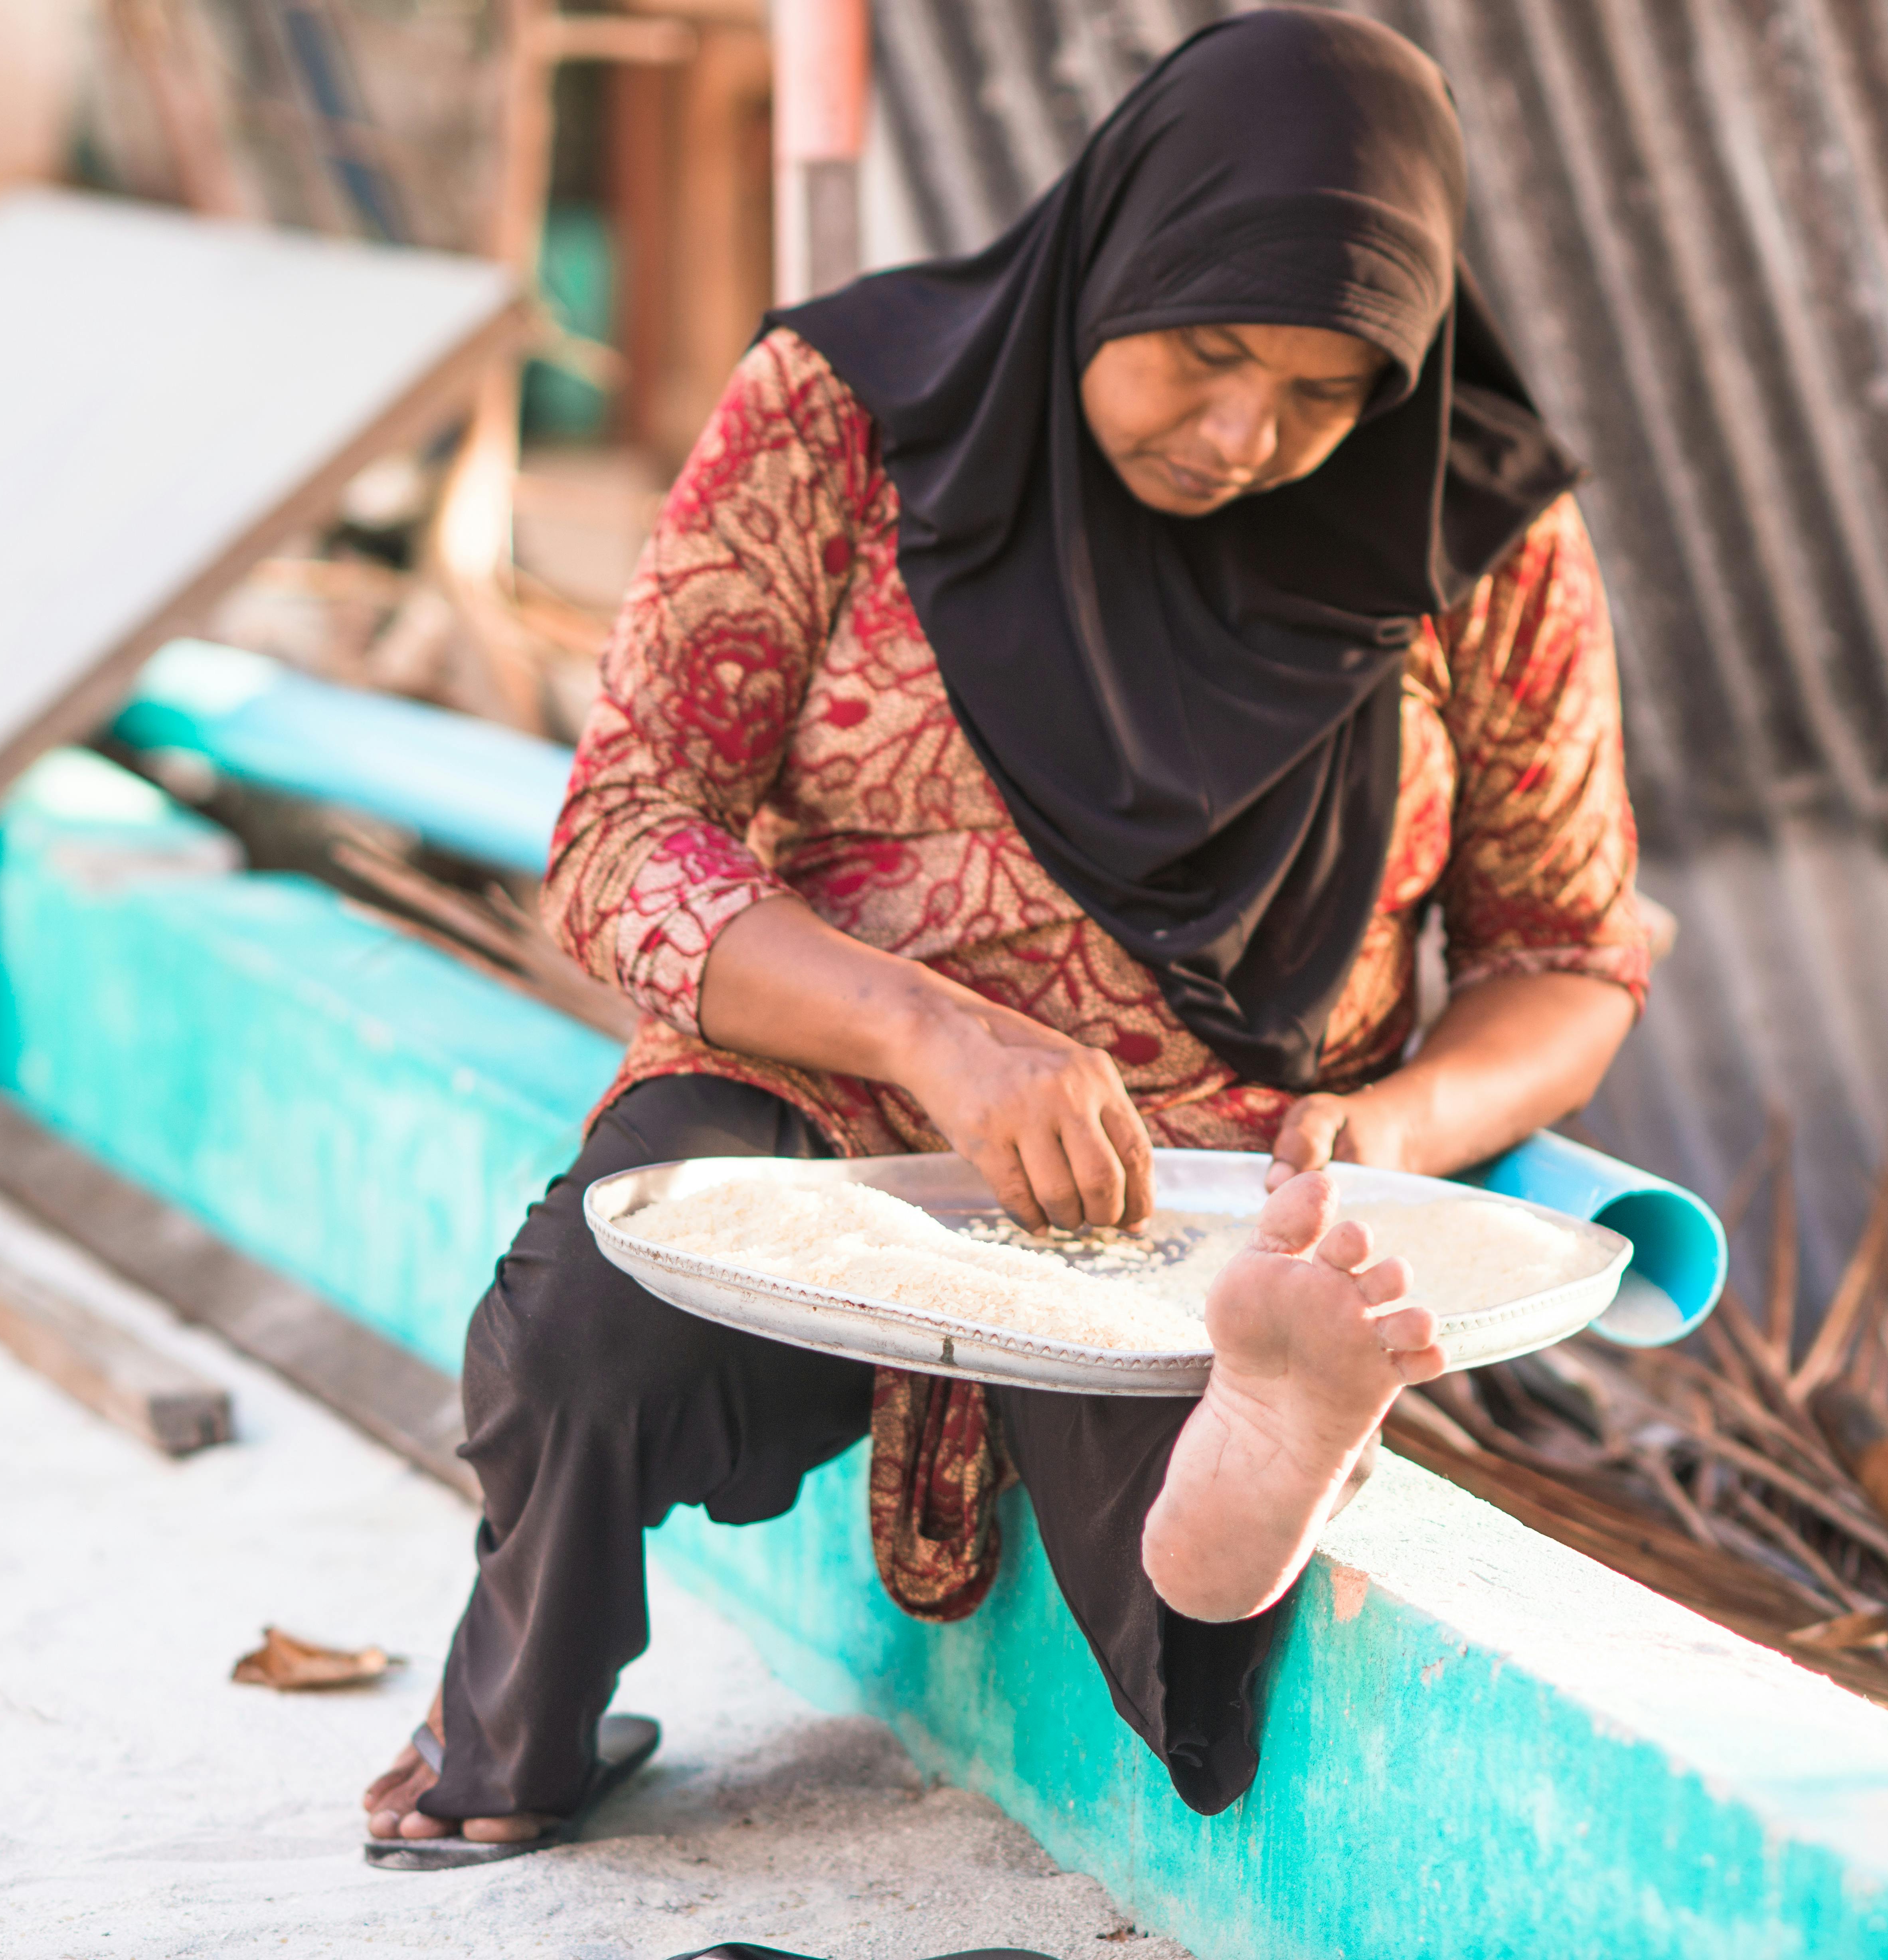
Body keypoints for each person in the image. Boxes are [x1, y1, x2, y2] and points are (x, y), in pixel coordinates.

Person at [361, 6, 1651, 1863]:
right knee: (597, 1314)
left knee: (1203, 1517)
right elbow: (625, 836)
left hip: (1205, 1185)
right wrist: (930, 1037)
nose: (1245, 435)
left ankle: (1263, 1439)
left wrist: (1389, 1131)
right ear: (1116, 250)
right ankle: (516, 1725)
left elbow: (1568, 952)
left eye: (1322, 389)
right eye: (1206, 354)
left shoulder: (1476, 536)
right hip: (827, 1103)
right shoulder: (846, 415)